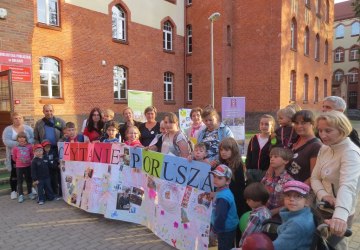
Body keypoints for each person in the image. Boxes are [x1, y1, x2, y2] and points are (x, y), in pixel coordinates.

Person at [311, 111, 360, 250]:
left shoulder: (350, 152)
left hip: (340, 212)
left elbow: (348, 186)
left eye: (328, 130)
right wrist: (324, 195)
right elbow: (315, 178)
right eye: (320, 130)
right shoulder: (325, 148)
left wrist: (340, 217)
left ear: (342, 129)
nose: (322, 135)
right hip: (322, 208)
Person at [218, 137, 247, 246]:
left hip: (237, 201)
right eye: (221, 150)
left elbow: (237, 186)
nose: (223, 152)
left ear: (233, 151)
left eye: (226, 150)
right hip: (228, 199)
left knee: (237, 227)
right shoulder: (223, 164)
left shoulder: (237, 164)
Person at [273, 180, 315, 250]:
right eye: (288, 195)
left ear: (307, 201)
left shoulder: (297, 224)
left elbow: (278, 247)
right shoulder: (303, 214)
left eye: (298, 196)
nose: (291, 199)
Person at [2, 112, 34, 200]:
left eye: (20, 118)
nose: (18, 119)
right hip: (15, 156)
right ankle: (14, 191)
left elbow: (32, 138)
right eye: (15, 118)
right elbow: (6, 141)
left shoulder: (28, 128)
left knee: (29, 173)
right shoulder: (8, 129)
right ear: (12, 119)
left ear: (22, 119)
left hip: (27, 156)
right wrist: (19, 143)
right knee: (14, 174)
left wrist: (26, 143)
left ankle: (31, 189)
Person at [286, 110, 322, 185]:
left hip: (299, 191)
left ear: (313, 124)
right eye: (296, 123)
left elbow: (314, 176)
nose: (299, 126)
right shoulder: (294, 141)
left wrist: (297, 190)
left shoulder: (316, 146)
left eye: (303, 123)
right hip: (285, 186)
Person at [210, 164, 239, 250]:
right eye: (214, 176)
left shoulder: (223, 198)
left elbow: (221, 216)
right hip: (229, 227)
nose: (215, 179)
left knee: (224, 247)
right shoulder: (224, 190)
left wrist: (215, 230)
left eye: (219, 178)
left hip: (225, 229)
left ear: (228, 181)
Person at [261, 147, 294, 217]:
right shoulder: (267, 177)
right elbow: (260, 192)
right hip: (264, 213)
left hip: (280, 217)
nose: (272, 159)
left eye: (276, 157)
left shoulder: (289, 181)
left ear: (285, 161)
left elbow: (291, 203)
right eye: (271, 157)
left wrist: (273, 212)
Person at [239, 182, 271, 247]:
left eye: (249, 200)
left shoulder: (256, 216)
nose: (246, 202)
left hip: (252, 244)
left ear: (258, 200)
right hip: (261, 243)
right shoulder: (266, 211)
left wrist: (241, 244)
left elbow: (248, 233)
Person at [245, 114, 275, 183]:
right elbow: (249, 155)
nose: (263, 126)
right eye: (262, 124)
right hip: (252, 173)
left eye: (267, 124)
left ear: (272, 126)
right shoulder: (254, 138)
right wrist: (248, 169)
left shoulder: (274, 140)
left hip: (266, 173)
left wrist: (270, 170)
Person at [12, 132, 34, 203]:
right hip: (19, 167)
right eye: (20, 137)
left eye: (23, 137)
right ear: (17, 139)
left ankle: (30, 193)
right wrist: (20, 161)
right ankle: (21, 195)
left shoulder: (29, 146)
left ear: (26, 139)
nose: (21, 139)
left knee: (29, 180)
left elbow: (32, 155)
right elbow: (14, 158)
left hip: (28, 166)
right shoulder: (15, 148)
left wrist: (28, 161)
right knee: (20, 181)